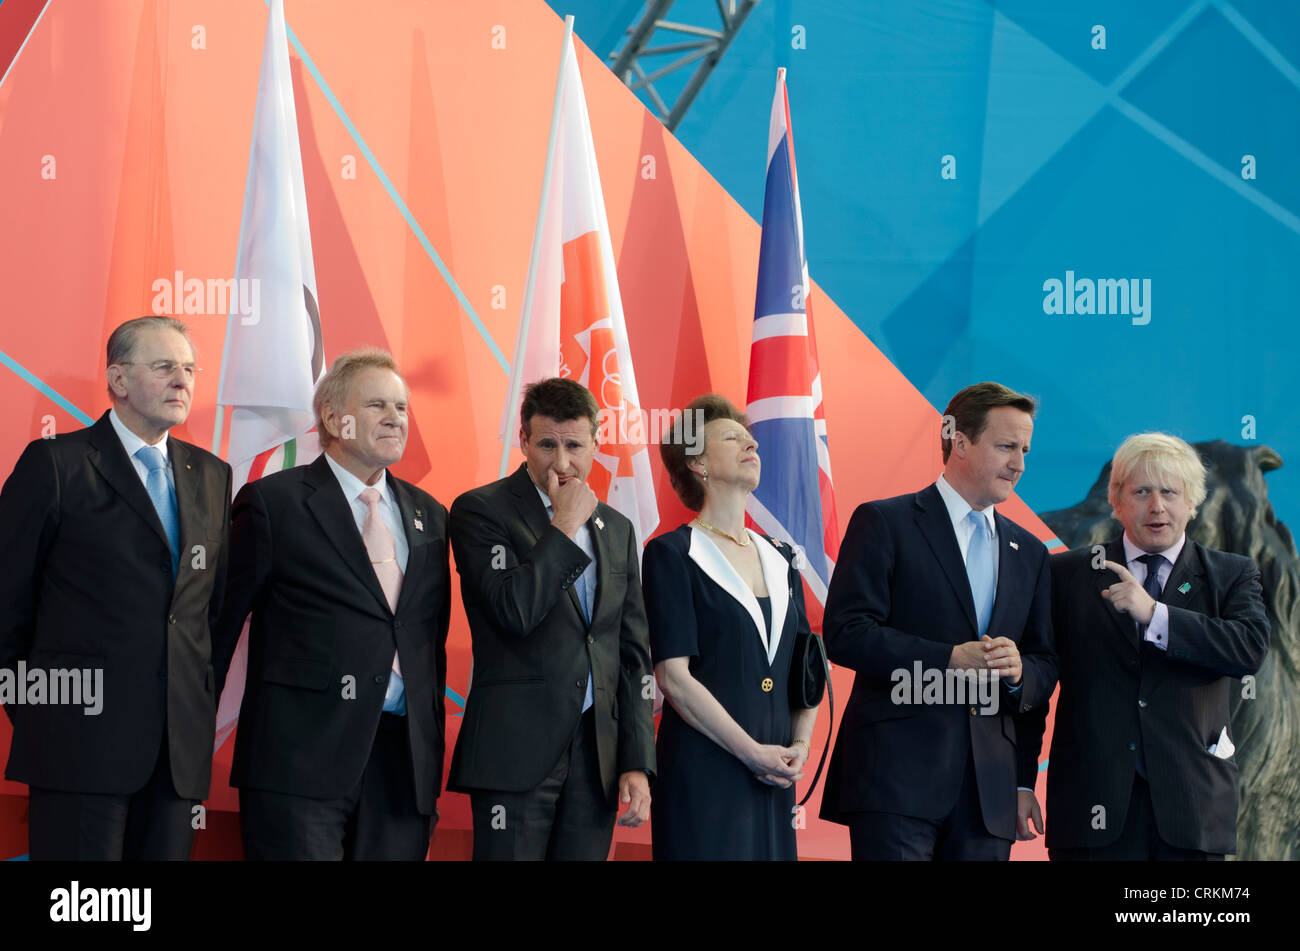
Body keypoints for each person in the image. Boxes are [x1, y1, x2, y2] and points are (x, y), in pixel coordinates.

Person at [0, 316, 231, 860]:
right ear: (119, 380)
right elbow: (7, 606)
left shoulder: (212, 475)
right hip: (76, 746)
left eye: (190, 368)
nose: (183, 380)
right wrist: (44, 715)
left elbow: (207, 615)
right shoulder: (56, 464)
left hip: (177, 758)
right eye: (164, 367)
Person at [212, 348, 451, 860]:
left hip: (402, 769)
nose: (394, 418)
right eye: (376, 405)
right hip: (298, 764)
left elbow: (428, 641)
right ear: (332, 417)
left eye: (402, 407)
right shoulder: (273, 503)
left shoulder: (430, 514)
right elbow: (217, 628)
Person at [820, 381, 1056, 860]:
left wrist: (1018, 673)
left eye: (1025, 450)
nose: (1020, 464)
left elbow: (1044, 664)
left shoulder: (1030, 551)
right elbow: (846, 633)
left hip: (988, 795)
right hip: (895, 782)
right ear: (960, 441)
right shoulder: (885, 522)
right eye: (1007, 446)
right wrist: (948, 659)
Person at [1017, 433, 1268, 860]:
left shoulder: (1231, 573)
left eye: (1170, 491)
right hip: (1090, 812)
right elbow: (1033, 684)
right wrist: (1022, 781)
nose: (1157, 506)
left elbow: (1248, 649)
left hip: (1192, 814)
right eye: (1141, 492)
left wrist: (1156, 615)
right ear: (1116, 501)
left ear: (1193, 501)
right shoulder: (1067, 574)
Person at [447, 377, 655, 860]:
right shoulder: (481, 510)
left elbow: (632, 653)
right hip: (514, 751)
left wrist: (637, 760)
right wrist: (564, 525)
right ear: (523, 440)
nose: (562, 463)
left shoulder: (617, 528)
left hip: (597, 757)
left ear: (596, 444)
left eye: (574, 446)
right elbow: (512, 611)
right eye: (547, 444)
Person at [642, 395, 817, 860]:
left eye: (750, 438)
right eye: (732, 437)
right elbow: (673, 678)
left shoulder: (783, 559)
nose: (751, 443)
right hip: (705, 772)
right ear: (696, 462)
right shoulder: (671, 555)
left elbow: (807, 673)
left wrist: (799, 744)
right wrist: (749, 751)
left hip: (774, 775)